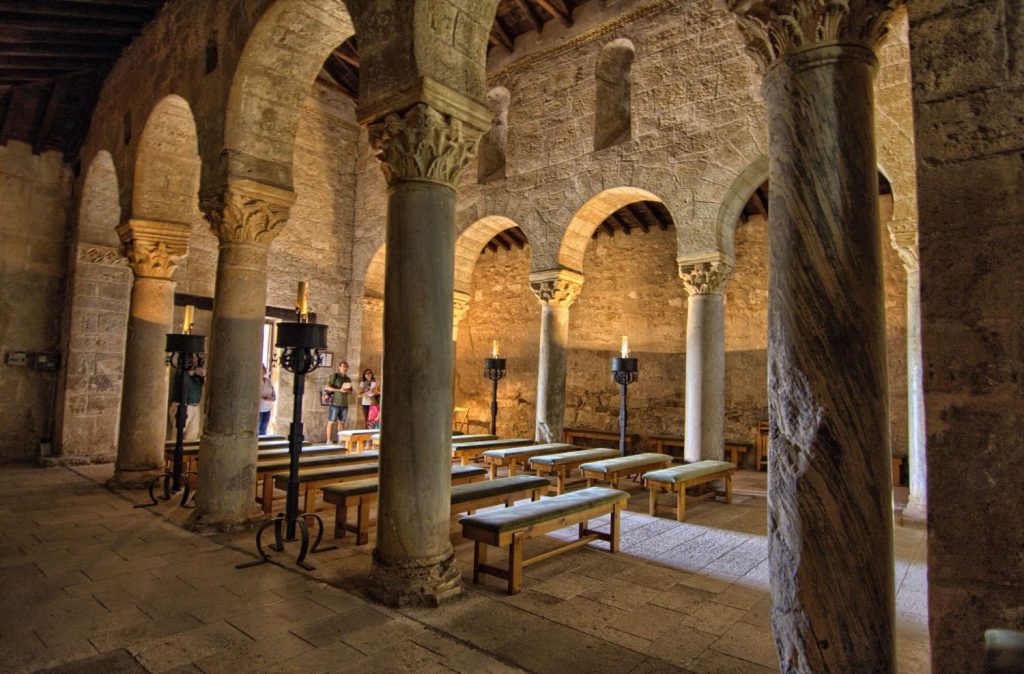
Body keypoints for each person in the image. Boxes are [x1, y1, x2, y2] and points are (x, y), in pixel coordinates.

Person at [168, 355, 204, 441]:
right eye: (193, 358)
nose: (195, 360)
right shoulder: (181, 372)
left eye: (196, 358)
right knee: (178, 435)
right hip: (182, 405)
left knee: (192, 435)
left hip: (195, 406)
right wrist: (194, 372)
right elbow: (186, 375)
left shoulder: (198, 375)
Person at [324, 360, 352, 443]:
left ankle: (340, 439)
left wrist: (348, 390)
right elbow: (327, 387)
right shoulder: (334, 376)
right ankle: (329, 440)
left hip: (344, 403)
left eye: (346, 366)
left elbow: (351, 390)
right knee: (331, 422)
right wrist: (339, 389)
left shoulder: (348, 378)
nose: (345, 368)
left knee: (341, 422)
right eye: (343, 366)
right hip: (335, 403)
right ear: (339, 367)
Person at [258, 364, 276, 435]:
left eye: (263, 369)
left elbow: (274, 396)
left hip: (267, 409)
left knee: (263, 429)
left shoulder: (268, 381)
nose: (263, 371)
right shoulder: (256, 382)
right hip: (258, 409)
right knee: (256, 430)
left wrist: (269, 399)